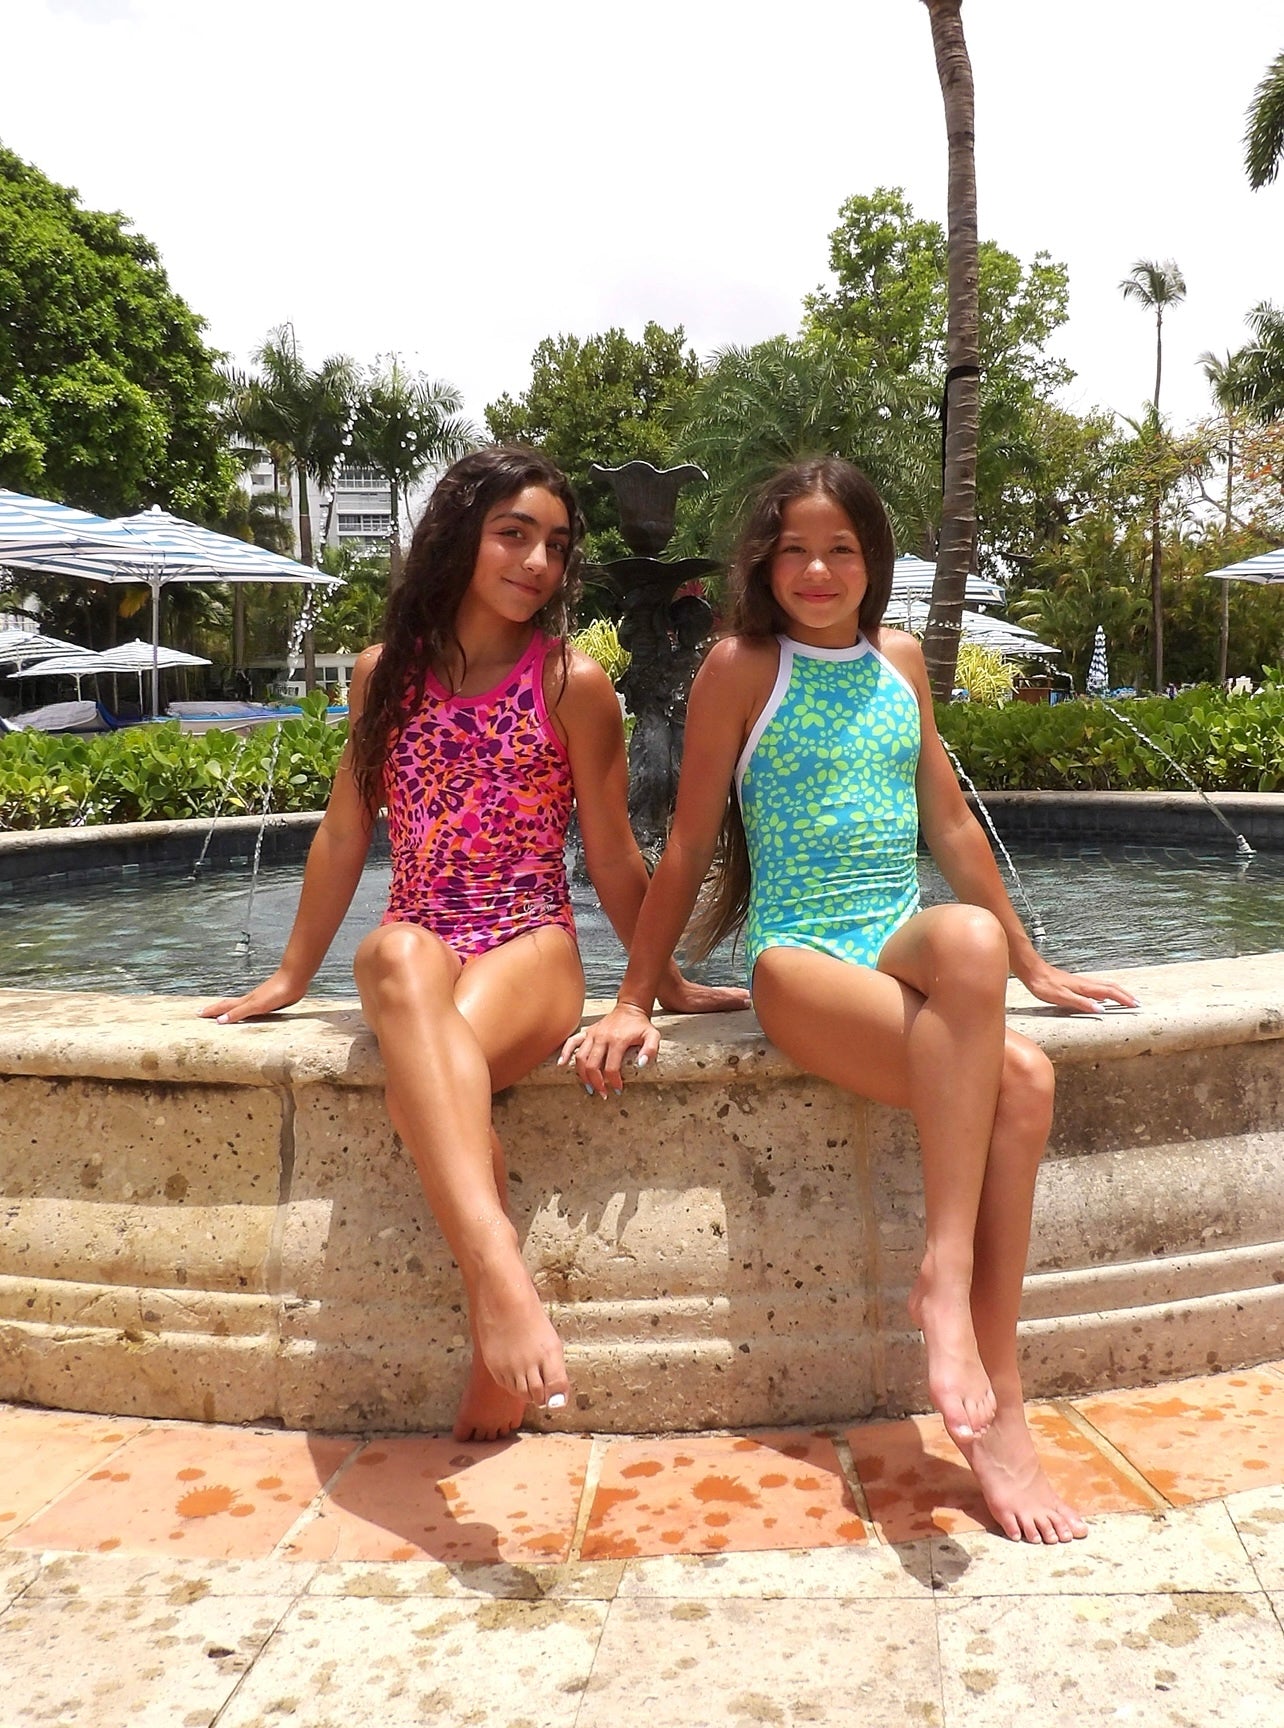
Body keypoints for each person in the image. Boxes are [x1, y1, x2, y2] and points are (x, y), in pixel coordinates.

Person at [564, 458, 1138, 1544]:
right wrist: (639, 994)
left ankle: (953, 1302)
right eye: (795, 550)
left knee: (969, 944)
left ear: (873, 561)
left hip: (896, 938)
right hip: (799, 958)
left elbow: (953, 829)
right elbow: (685, 844)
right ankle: (991, 1394)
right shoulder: (740, 667)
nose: (819, 570)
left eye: (842, 549)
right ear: (764, 562)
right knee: (1023, 1082)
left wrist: (1036, 965)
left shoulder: (902, 661)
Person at [202, 447, 748, 1442]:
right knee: (391, 956)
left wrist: (656, 980)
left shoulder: (572, 683)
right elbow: (342, 831)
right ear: (458, 537)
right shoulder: (384, 677)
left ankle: (495, 1290)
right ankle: (503, 1277)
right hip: (426, 945)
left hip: (531, 944)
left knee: (421, 1069)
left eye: (555, 544)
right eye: (514, 534)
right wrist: (288, 974)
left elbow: (617, 857)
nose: (537, 561)